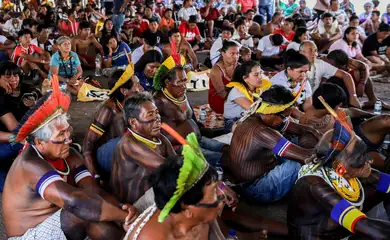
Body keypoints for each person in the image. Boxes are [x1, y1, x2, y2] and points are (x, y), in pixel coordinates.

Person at [2, 75, 138, 239]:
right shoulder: (30, 163)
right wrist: (124, 217)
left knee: (95, 210)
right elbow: (75, 202)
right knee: (82, 211)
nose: (69, 140)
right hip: (29, 235)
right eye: (61, 136)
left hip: (57, 224)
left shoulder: (69, 154)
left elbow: (92, 189)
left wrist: (122, 207)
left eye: (68, 131)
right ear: (39, 142)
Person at [288, 101, 390, 240]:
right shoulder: (314, 185)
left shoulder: (348, 169)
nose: (370, 160)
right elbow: (359, 223)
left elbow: (385, 181)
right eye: (361, 157)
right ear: (340, 168)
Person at [226, 85, 320, 205]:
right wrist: (332, 149)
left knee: (303, 138)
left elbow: (303, 130)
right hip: (256, 189)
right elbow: (308, 157)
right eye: (285, 117)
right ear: (270, 113)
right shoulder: (262, 131)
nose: (286, 120)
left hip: (265, 168)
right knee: (298, 165)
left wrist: (314, 132)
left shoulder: (260, 115)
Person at [123, 150, 225, 239]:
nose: (222, 194)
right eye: (214, 191)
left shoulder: (204, 214)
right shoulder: (151, 237)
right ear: (186, 209)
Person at [153, 50, 227, 166]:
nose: (184, 86)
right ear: (167, 82)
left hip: (197, 139)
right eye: (180, 82)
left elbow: (188, 115)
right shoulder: (157, 101)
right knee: (224, 159)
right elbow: (152, 132)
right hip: (181, 147)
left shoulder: (180, 94)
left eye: (185, 81)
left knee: (228, 149)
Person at [109, 92, 176, 204]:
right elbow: (169, 169)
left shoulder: (159, 138)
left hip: (150, 195)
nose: (157, 118)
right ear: (133, 122)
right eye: (150, 114)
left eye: (157, 112)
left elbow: (175, 160)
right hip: (133, 206)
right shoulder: (129, 144)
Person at [83, 65, 144, 178]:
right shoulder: (108, 110)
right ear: (124, 90)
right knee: (127, 142)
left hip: (125, 151)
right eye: (137, 85)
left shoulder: (133, 105)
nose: (141, 88)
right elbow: (87, 145)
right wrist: (94, 176)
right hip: (107, 154)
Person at [0, 61, 40, 191]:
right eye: (7, 77)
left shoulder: (21, 90)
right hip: (7, 141)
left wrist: (34, 104)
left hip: (9, 142)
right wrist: (20, 138)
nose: (12, 79)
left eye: (15, 76)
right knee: (10, 186)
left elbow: (39, 94)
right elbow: (14, 129)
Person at [299, 40, 360, 108]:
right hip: (298, 103)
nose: (314, 54)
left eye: (315, 51)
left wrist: (353, 97)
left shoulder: (320, 63)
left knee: (337, 81)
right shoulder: (294, 67)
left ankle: (348, 107)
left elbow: (345, 75)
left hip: (315, 103)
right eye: (310, 50)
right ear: (301, 52)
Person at [325, 49, 390, 110]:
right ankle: (358, 104)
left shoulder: (348, 61)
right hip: (331, 86)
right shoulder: (324, 63)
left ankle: (373, 100)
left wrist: (362, 83)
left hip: (345, 81)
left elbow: (365, 66)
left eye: (342, 68)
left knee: (360, 73)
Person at [224, 60, 271, 132]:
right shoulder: (237, 90)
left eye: (260, 73)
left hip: (250, 119)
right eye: (256, 75)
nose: (260, 77)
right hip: (234, 122)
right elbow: (254, 109)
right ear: (245, 78)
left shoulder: (257, 88)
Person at [270, 50, 313, 120]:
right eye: (300, 71)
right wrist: (306, 119)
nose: (303, 75)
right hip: (281, 117)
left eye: (305, 71)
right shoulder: (278, 83)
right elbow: (288, 109)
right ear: (289, 69)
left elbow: (308, 101)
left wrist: (311, 116)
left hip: (298, 115)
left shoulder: (303, 79)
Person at [209, 40, 239, 114]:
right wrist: (242, 101)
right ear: (223, 54)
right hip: (220, 101)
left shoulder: (239, 66)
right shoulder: (216, 70)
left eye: (237, 53)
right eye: (232, 54)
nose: (235, 56)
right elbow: (223, 94)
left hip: (236, 98)